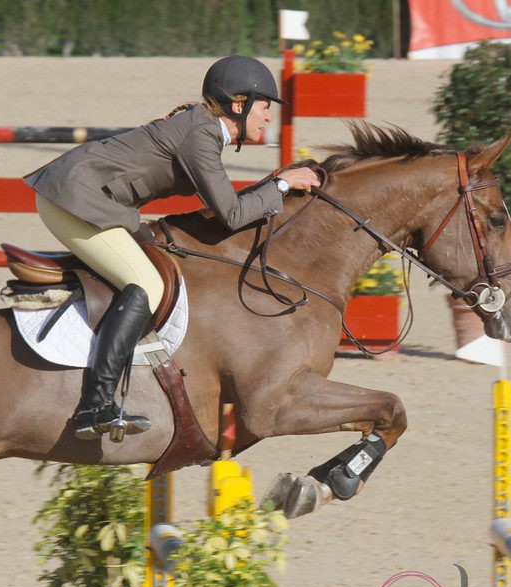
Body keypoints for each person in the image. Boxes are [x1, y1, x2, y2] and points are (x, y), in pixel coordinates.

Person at [24, 55, 321, 441]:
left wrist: (272, 186)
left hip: (87, 197)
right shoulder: (201, 135)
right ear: (238, 104)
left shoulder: (200, 127)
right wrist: (281, 185)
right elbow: (231, 215)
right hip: (75, 199)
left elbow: (222, 205)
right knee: (148, 284)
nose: (268, 118)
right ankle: (94, 406)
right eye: (265, 107)